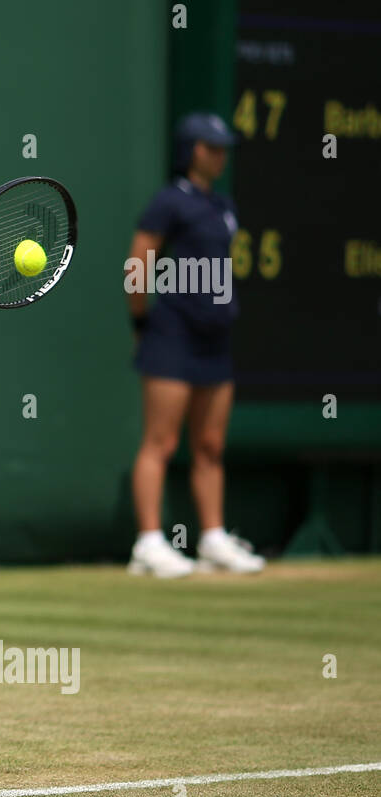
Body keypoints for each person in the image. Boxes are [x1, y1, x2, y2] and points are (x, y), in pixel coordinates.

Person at [125, 112, 265, 578]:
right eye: (212, 146)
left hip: (215, 337)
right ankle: (148, 543)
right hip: (172, 334)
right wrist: (140, 316)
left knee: (210, 443)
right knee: (161, 442)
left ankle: (212, 539)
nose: (220, 155)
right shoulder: (168, 202)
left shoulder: (223, 205)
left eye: (224, 146)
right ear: (192, 151)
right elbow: (141, 256)